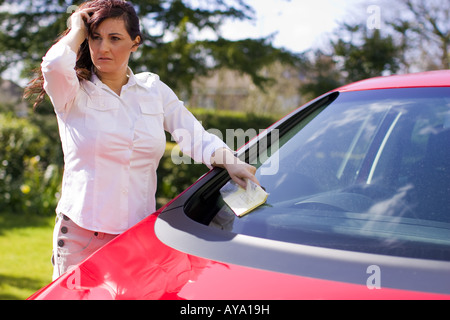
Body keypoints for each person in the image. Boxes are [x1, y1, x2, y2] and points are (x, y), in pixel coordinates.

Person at [25, 0, 258, 280]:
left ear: (135, 44)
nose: (103, 48)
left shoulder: (154, 90)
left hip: (137, 236)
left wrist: (231, 162)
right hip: (81, 237)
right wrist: (76, 27)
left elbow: (195, 136)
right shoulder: (73, 92)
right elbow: (54, 64)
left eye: (115, 38)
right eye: (95, 38)